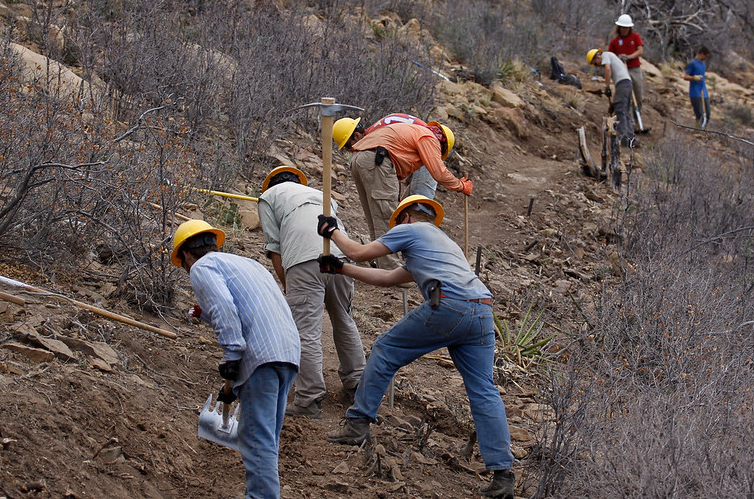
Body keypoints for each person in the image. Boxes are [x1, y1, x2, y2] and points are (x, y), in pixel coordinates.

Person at [315, 196, 515, 499]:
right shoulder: (442, 244)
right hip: (482, 312)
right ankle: (502, 475)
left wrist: (332, 232)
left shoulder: (411, 230)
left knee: (384, 348)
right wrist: (342, 269)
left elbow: (359, 251)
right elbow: (387, 278)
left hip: (451, 306)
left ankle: (357, 424)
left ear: (406, 217)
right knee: (483, 391)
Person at [171, 219, 301, 499]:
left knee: (257, 444)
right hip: (287, 353)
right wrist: (203, 315)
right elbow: (247, 307)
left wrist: (231, 357)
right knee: (267, 441)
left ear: (185, 255)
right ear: (213, 243)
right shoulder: (247, 264)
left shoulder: (201, 268)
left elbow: (223, 308)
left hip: (260, 359)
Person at [258, 166, 366, 418]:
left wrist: (289, 287)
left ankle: (309, 399)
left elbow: (275, 249)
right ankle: (357, 384)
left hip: (302, 261)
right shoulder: (320, 194)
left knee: (306, 331)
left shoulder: (269, 197)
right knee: (344, 320)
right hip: (339, 257)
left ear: (271, 184)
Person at [332, 117, 472, 270]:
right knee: (386, 216)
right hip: (376, 161)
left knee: (375, 216)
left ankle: (379, 261)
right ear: (443, 144)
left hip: (360, 160)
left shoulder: (412, 131)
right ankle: (390, 270)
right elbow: (438, 173)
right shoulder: (429, 137)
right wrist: (460, 186)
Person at [334, 113, 439, 199]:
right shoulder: (376, 132)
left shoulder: (376, 141)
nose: (349, 150)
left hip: (428, 148)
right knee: (409, 203)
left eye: (348, 146)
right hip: (423, 144)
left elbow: (390, 174)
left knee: (420, 202)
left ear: (356, 136)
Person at [587, 48, 635, 147]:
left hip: (623, 85)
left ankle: (623, 139)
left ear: (598, 57)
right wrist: (613, 103)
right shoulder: (613, 59)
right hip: (626, 84)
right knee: (624, 112)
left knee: (621, 111)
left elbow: (607, 69)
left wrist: (607, 86)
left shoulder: (606, 55)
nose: (598, 66)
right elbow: (618, 87)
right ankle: (631, 139)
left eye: (596, 63)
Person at [607, 14, 645, 110]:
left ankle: (637, 119)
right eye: (622, 28)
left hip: (634, 68)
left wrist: (629, 57)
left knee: (638, 95)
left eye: (626, 28)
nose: (624, 30)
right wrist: (618, 59)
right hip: (621, 70)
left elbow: (640, 51)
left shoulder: (635, 37)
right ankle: (624, 118)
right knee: (624, 94)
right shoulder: (614, 42)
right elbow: (610, 57)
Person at [683, 46, 711, 127]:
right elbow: (685, 76)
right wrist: (694, 77)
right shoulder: (692, 63)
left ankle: (703, 129)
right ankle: (698, 130)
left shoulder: (703, 64)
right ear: (702, 54)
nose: (706, 58)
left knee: (707, 113)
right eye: (706, 56)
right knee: (699, 114)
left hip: (704, 92)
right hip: (695, 93)